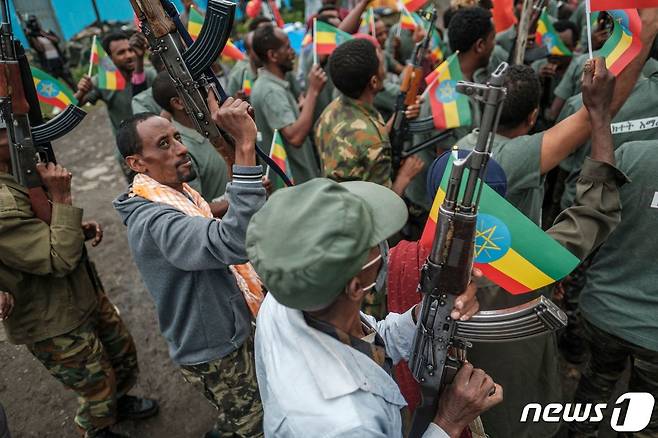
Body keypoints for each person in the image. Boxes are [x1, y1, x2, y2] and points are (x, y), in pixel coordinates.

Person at [389, 56, 632, 438]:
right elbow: (596, 207)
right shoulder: (526, 261)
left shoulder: (402, 260)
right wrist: (600, 116)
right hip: (511, 411)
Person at [246, 176, 502, 437]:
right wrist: (449, 422)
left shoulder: (293, 293)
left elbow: (371, 342)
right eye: (372, 241)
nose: (384, 246)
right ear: (356, 287)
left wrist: (426, 312)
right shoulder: (349, 422)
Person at [112, 96, 265, 438]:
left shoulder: (174, 193)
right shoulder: (154, 219)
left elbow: (204, 220)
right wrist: (244, 147)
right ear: (137, 163)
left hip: (228, 328)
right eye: (164, 144)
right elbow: (232, 242)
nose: (180, 149)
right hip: (217, 352)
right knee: (255, 424)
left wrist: (238, 195)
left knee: (244, 411)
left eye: (177, 138)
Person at [0, 126, 158, 438]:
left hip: (82, 293)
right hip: (52, 316)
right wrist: (62, 197)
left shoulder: (17, 172)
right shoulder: (3, 201)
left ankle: (117, 403)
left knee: (120, 355)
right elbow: (56, 258)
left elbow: (44, 226)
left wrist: (74, 227)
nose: (20, 134)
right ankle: (96, 429)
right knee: (96, 385)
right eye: (6, 131)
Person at [570, 139, 658, 438]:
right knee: (645, 416)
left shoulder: (631, 154)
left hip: (603, 310)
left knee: (595, 381)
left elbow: (585, 218)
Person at [315, 38, 424, 197]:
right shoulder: (374, 142)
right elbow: (382, 207)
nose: (383, 62)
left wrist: (397, 117)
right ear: (373, 82)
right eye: (380, 61)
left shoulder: (329, 112)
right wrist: (404, 177)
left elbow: (359, 140)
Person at [75, 32, 157, 179]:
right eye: (121, 53)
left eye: (130, 50)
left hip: (155, 147)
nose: (129, 55)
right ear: (110, 59)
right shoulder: (102, 81)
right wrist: (81, 92)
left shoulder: (150, 75)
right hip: (129, 154)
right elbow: (74, 106)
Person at [251, 25, 326, 184]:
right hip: (296, 189)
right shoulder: (270, 91)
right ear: (272, 55)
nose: (293, 52)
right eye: (287, 47)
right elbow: (295, 137)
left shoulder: (275, 85)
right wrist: (313, 91)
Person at [150, 71, 229, 216]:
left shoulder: (214, 126)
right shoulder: (181, 149)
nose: (207, 91)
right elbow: (195, 208)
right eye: (198, 88)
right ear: (179, 103)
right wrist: (241, 197)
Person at [25, 15, 75, 89]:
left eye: (35, 22)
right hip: (49, 65)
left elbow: (57, 40)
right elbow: (40, 49)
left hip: (59, 61)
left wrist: (44, 34)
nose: (35, 24)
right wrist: (32, 36)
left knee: (72, 83)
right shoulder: (33, 38)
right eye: (32, 23)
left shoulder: (47, 31)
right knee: (54, 87)